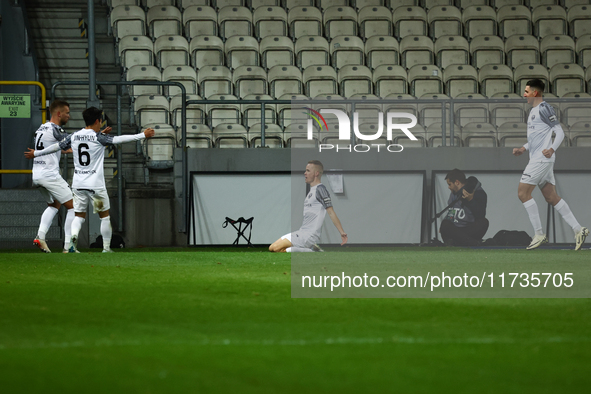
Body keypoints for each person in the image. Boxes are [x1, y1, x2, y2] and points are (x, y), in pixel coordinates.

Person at [26, 107, 155, 253]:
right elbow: (119, 139)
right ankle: (106, 248)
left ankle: (72, 244)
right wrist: (142, 135)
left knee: (78, 216)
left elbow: (55, 147)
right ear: (97, 121)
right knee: (104, 217)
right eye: (100, 121)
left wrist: (37, 153)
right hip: (95, 187)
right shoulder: (98, 138)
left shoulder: (74, 136)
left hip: (79, 186)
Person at [513, 79, 588, 250]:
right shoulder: (532, 111)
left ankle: (539, 234)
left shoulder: (544, 108)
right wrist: (523, 148)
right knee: (551, 197)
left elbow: (560, 131)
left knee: (522, 193)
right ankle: (579, 229)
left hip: (541, 159)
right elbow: (535, 138)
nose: (524, 94)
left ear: (535, 93)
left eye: (526, 91)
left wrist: (552, 149)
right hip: (538, 158)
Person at [30, 99, 77, 253]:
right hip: (49, 174)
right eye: (67, 113)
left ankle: (40, 237)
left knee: (54, 205)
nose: (69, 116)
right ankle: (68, 246)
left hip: (37, 174)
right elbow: (71, 141)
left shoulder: (42, 128)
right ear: (59, 113)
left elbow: (50, 147)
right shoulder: (56, 129)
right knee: (74, 207)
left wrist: (63, 151)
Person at [269, 160, 347, 252]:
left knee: (276, 248)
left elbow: (331, 212)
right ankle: (311, 248)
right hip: (302, 232)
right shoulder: (312, 190)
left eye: (308, 171)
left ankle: (314, 251)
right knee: (272, 248)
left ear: (316, 173)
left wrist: (342, 232)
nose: (305, 173)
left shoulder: (321, 189)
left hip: (310, 235)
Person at [440, 169, 489, 246]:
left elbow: (480, 215)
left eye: (449, 184)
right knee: (445, 224)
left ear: (457, 182)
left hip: (469, 229)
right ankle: (472, 243)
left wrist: (470, 200)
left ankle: (459, 242)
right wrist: (447, 224)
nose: (449, 187)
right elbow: (452, 211)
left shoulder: (479, 193)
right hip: (455, 229)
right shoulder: (453, 193)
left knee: (484, 222)